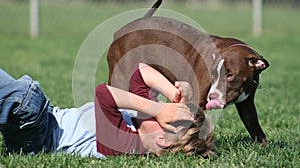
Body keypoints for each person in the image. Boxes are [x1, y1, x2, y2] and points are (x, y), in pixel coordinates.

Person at [0, 63, 214, 158]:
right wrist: (173, 93)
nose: (161, 111)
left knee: (23, 96)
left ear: (162, 140)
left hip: (36, 131)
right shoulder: (141, 123)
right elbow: (141, 72)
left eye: (166, 116)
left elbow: (103, 94)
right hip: (39, 116)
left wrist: (157, 107)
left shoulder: (126, 144)